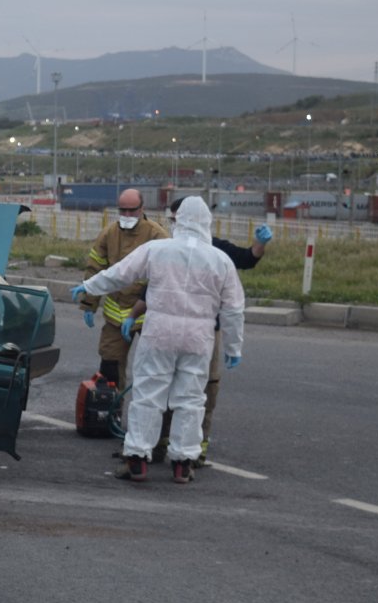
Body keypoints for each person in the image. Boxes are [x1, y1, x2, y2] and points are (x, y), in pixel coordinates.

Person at [71, 196, 244, 484]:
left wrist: (89, 286)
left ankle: (137, 460)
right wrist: (234, 346)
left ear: (179, 220)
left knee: (148, 396)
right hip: (198, 339)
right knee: (190, 400)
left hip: (160, 333)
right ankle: (183, 464)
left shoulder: (157, 249)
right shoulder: (220, 260)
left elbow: (120, 274)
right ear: (206, 223)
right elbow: (234, 308)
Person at [132, 198, 273, 467]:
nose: (175, 225)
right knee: (178, 394)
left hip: (195, 335)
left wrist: (260, 244)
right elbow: (151, 290)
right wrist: (132, 316)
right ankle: (167, 452)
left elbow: (247, 259)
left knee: (193, 393)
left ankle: (187, 452)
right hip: (192, 336)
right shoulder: (173, 249)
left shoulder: (215, 249)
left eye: (177, 219)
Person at [78, 188, 168, 391]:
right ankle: (111, 413)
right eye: (123, 210)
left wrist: (139, 308)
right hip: (115, 314)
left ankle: (156, 420)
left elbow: (163, 278)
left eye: (132, 211)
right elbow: (95, 268)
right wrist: (88, 303)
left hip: (147, 314)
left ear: (142, 208)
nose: (127, 215)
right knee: (109, 365)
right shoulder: (109, 233)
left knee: (155, 368)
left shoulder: (157, 235)